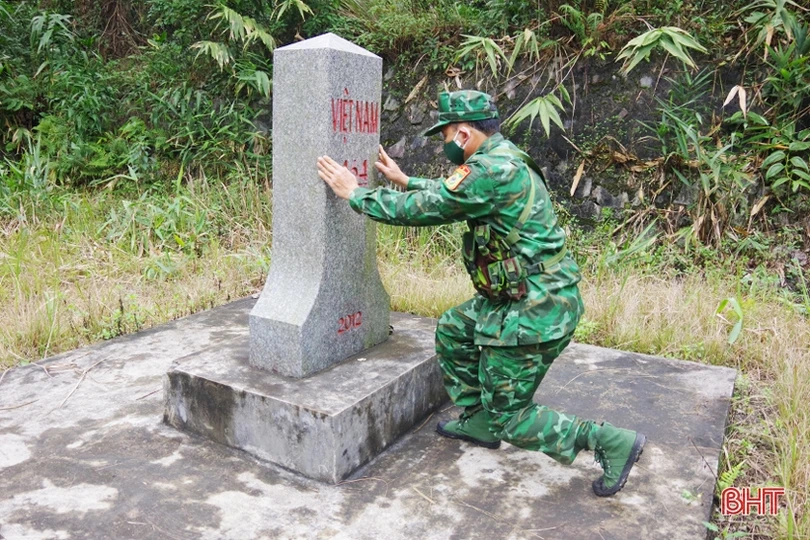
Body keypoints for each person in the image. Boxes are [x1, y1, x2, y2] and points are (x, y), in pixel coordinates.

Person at [317, 90, 645, 497]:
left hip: (534, 308)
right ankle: (479, 420)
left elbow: (427, 208)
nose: (443, 143)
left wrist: (355, 193)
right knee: (455, 329)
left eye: (446, 134)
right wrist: (407, 180)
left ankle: (607, 440)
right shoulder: (500, 158)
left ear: (465, 134)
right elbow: (457, 193)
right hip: (525, 295)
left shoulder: (489, 170)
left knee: (512, 416)